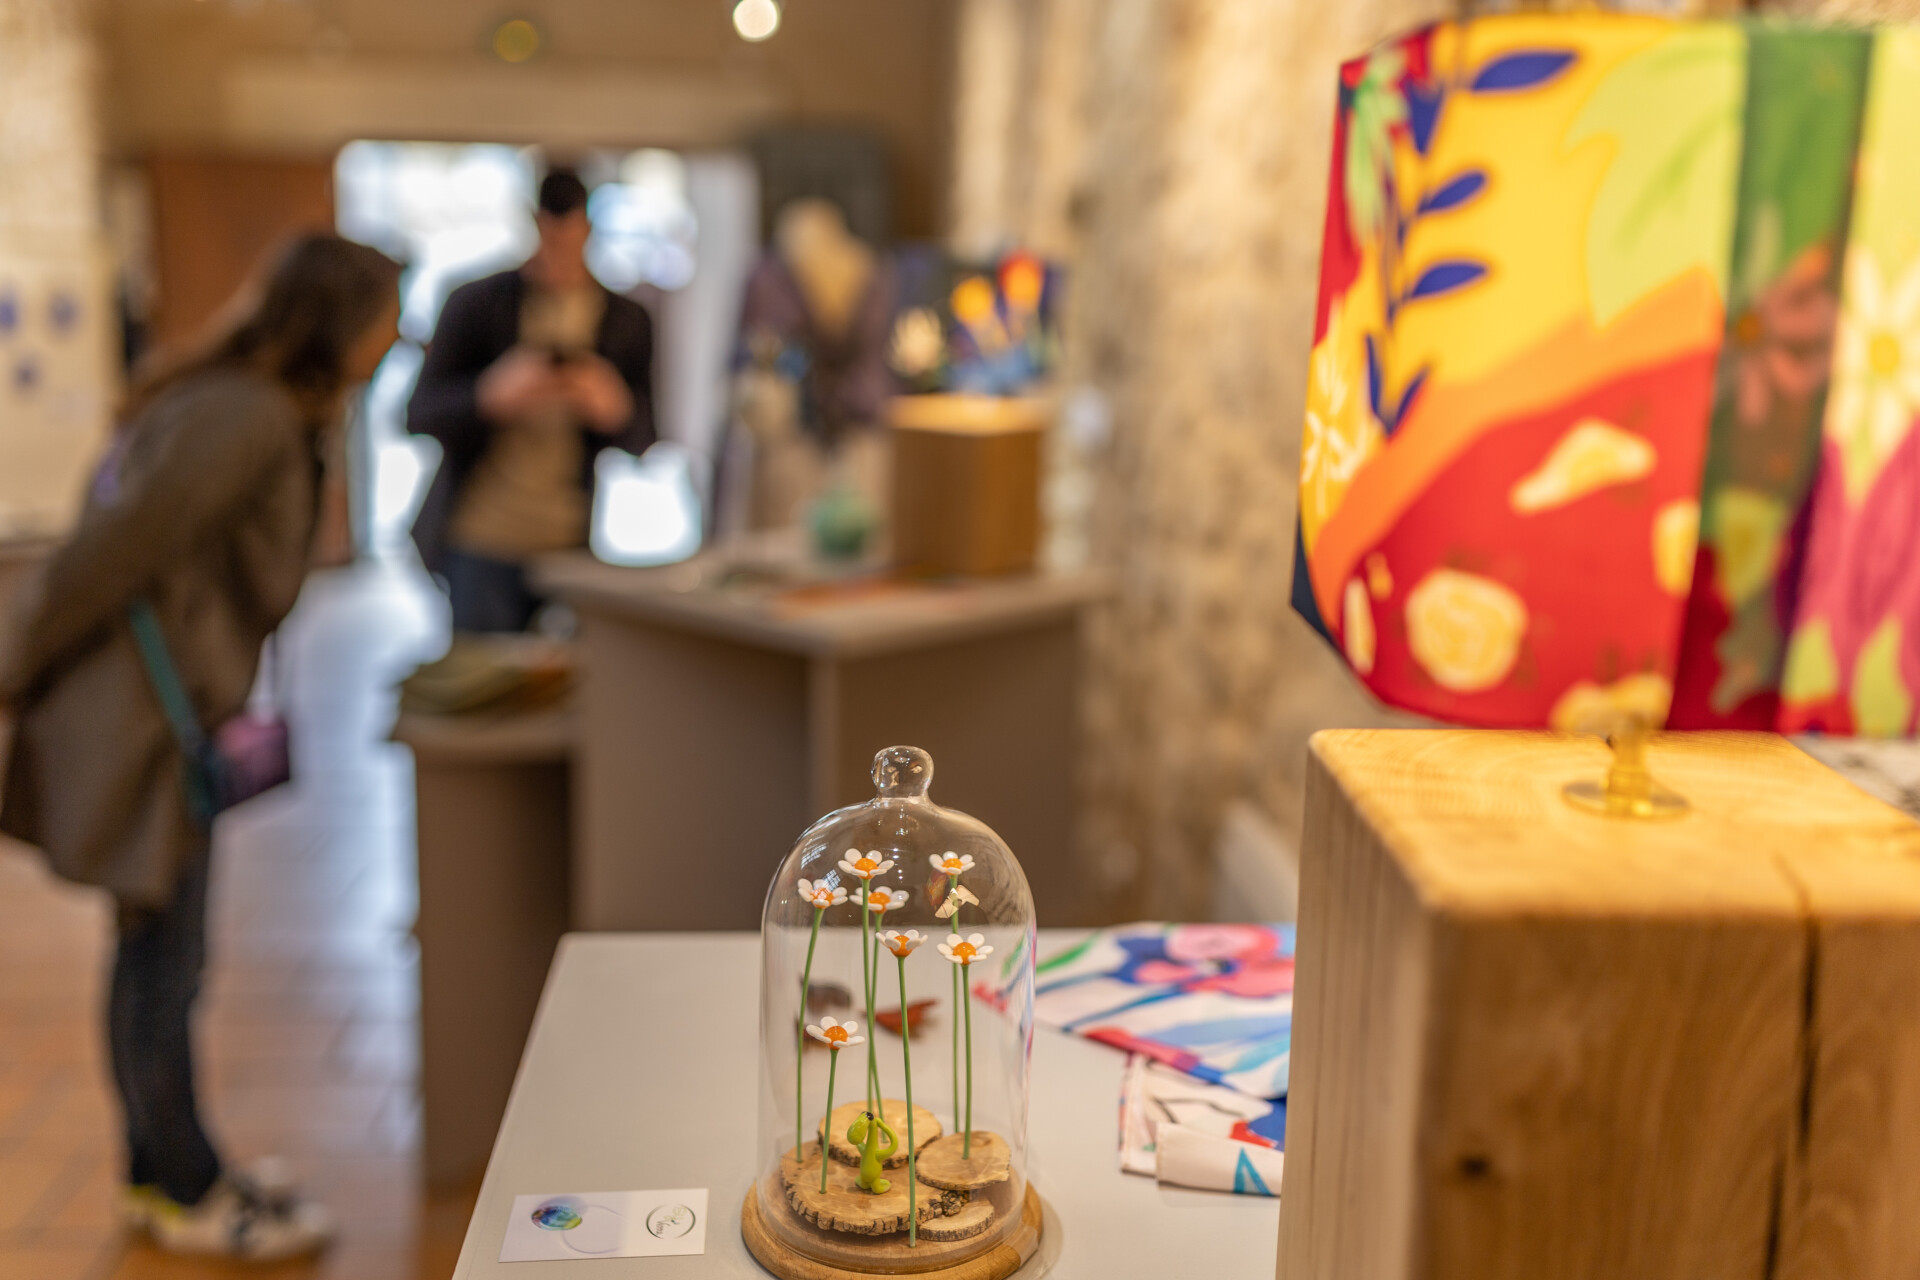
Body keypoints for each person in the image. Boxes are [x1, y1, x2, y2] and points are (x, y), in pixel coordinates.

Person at [0, 234, 402, 1261]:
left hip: (164, 711)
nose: (395, 335)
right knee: (163, 960)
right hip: (148, 721)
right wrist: (14, 663)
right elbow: (110, 549)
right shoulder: (245, 415)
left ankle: (162, 1168)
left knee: (156, 950)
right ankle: (184, 1184)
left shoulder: (253, 405)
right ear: (336, 321)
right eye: (384, 315)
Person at [407, 167, 655, 631]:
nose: (559, 250)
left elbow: (646, 437)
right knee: (485, 670)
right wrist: (488, 395)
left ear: (588, 229)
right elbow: (417, 414)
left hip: (569, 538)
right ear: (534, 224)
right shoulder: (477, 304)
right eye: (550, 236)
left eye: (570, 237)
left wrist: (614, 408)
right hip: (481, 536)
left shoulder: (625, 319)